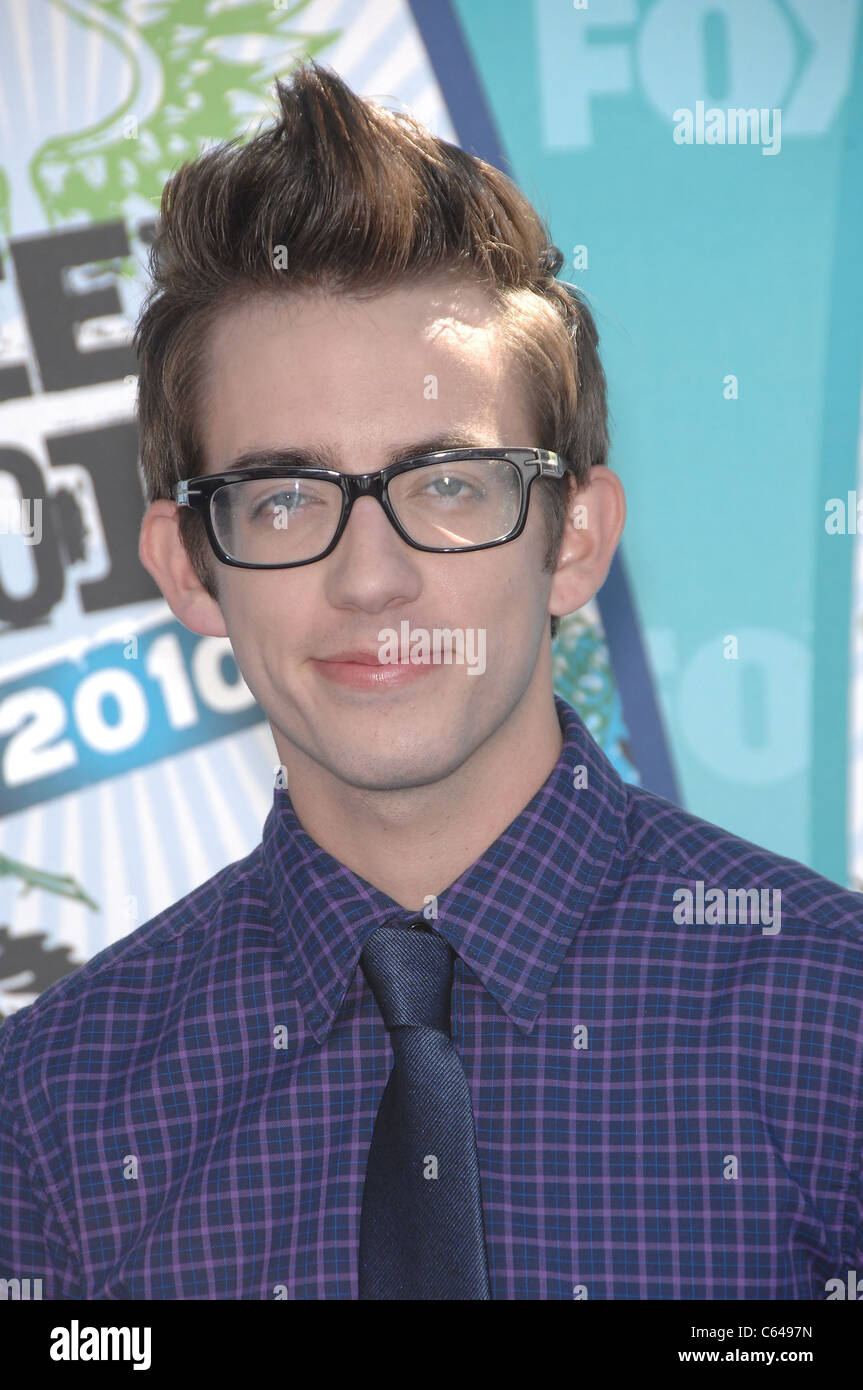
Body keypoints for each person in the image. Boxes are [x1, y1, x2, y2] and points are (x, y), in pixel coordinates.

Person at [1, 60, 861, 1302]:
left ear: (573, 537)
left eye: (446, 485)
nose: (371, 577)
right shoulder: (45, 1118)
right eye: (283, 495)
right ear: (188, 568)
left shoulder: (833, 1027)